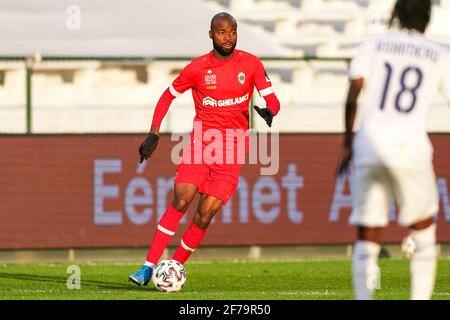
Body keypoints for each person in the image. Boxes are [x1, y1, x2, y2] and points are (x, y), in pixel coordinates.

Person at [129, 12, 280, 286]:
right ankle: (148, 266)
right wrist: (154, 132)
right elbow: (167, 96)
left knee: (205, 213)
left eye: (232, 32)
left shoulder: (251, 64)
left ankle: (174, 267)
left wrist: (270, 111)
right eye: (222, 32)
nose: (228, 38)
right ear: (211, 34)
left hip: (232, 151)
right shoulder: (197, 68)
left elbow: (272, 99)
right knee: (182, 199)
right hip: (203, 146)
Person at [338, 0, 450, 300]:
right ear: (427, 17)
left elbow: (352, 96)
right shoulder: (439, 55)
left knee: (367, 236)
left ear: (396, 15)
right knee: (424, 236)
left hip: (369, 143)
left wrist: (348, 144)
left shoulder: (371, 46)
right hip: (411, 145)